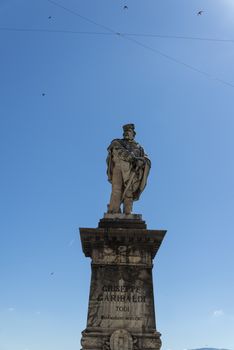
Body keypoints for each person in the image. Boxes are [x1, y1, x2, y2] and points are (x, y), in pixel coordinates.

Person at [106, 124, 151, 215]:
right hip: (118, 168)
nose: (126, 133)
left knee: (129, 192)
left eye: (129, 131)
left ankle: (128, 212)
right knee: (116, 189)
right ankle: (114, 210)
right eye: (125, 131)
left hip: (132, 170)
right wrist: (134, 159)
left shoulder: (139, 147)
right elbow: (117, 151)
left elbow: (146, 158)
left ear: (133, 134)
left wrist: (142, 162)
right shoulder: (117, 142)